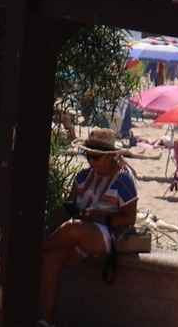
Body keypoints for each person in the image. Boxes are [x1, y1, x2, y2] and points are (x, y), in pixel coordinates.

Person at [42, 128, 139, 323]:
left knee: (73, 228)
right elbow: (68, 207)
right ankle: (46, 319)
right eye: (88, 157)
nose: (91, 162)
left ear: (110, 157)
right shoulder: (83, 176)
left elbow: (129, 218)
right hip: (81, 232)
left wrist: (101, 216)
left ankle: (34, 250)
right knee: (52, 259)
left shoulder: (123, 180)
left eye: (96, 158)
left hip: (109, 234)